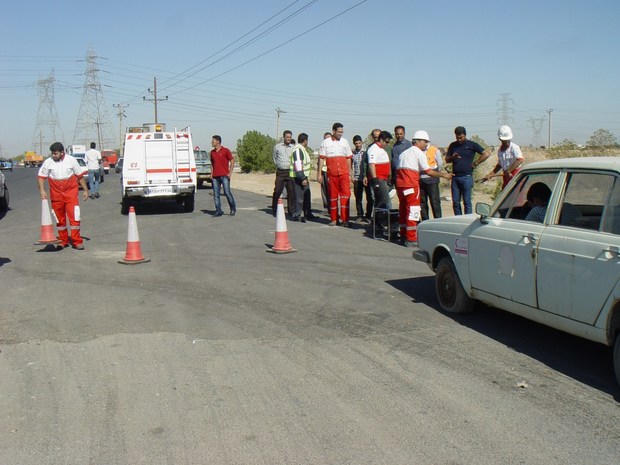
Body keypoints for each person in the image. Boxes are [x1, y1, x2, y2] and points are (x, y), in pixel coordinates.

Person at [396, 132, 453, 246]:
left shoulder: (404, 153)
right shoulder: (418, 153)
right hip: (411, 185)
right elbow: (428, 171)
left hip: (401, 186)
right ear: (417, 141)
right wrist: (444, 175)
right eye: (425, 142)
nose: (426, 144)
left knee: (403, 209)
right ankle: (411, 238)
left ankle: (403, 234)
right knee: (413, 210)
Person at [37, 142, 90, 250]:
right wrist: (42, 190)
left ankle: (77, 241)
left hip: (70, 193)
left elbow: (79, 177)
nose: (53, 156)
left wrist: (85, 190)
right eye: (52, 153)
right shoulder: (48, 162)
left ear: (62, 152)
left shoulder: (71, 160)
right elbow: (41, 177)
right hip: (56, 195)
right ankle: (63, 240)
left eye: (55, 153)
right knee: (59, 219)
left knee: (75, 218)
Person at [445, 126, 492, 215]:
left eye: (461, 137)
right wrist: (453, 157)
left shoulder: (472, 145)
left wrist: (475, 163)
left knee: (467, 202)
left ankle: (468, 219)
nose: (459, 139)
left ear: (465, 135)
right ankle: (458, 219)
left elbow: (486, 154)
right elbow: (447, 160)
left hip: (466, 177)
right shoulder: (453, 145)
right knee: (455, 202)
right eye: (457, 137)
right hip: (455, 177)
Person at [318, 122, 353, 227]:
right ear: (333, 131)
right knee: (333, 197)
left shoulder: (345, 142)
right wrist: (319, 174)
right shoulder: (325, 143)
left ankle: (345, 220)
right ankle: (334, 219)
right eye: (339, 132)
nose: (340, 134)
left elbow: (348, 158)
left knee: (345, 196)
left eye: (342, 132)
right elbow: (321, 159)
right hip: (332, 174)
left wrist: (349, 173)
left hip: (343, 174)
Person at [367, 130, 393, 234]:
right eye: (386, 141)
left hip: (384, 178)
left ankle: (377, 223)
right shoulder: (374, 149)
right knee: (384, 200)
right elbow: (371, 165)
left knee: (380, 202)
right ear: (381, 139)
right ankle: (379, 222)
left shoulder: (382, 149)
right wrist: (375, 180)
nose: (387, 144)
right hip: (379, 179)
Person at [417, 132, 445, 220]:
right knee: (422, 203)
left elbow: (440, 164)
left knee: (435, 202)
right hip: (420, 180)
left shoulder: (435, 150)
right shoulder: (418, 150)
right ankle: (425, 221)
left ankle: (438, 221)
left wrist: (435, 173)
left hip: (432, 180)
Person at [210, 135, 236, 217]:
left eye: (213, 141)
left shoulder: (226, 151)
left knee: (227, 192)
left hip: (225, 175)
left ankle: (233, 208)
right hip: (215, 177)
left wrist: (230, 172)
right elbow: (212, 163)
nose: (211, 142)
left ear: (218, 141)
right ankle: (218, 210)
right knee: (216, 194)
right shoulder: (212, 152)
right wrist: (211, 173)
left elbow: (232, 160)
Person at [272, 130, 296, 217]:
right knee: (277, 190)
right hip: (280, 171)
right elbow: (274, 158)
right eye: (287, 137)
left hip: (289, 172)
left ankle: (291, 211)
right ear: (284, 137)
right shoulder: (277, 147)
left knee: (291, 192)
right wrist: (279, 164)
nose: (289, 139)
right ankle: (274, 209)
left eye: (290, 137)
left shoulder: (293, 148)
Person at [289, 133, 312, 222]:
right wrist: (302, 178)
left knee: (306, 196)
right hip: (298, 177)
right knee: (299, 197)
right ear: (305, 140)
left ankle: (308, 214)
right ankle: (297, 215)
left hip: (303, 176)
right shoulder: (298, 150)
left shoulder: (302, 150)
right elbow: (298, 165)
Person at [351, 135, 368, 222]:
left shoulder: (366, 152)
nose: (358, 145)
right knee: (358, 198)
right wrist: (352, 176)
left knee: (369, 198)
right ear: (354, 144)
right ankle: (360, 215)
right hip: (357, 179)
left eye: (359, 143)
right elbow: (350, 166)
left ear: (362, 142)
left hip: (365, 178)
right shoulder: (352, 154)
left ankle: (368, 216)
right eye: (356, 143)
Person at [318, 131, 331, 213]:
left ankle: (332, 207)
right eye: (325, 139)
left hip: (331, 171)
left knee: (331, 190)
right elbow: (319, 160)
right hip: (323, 171)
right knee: (324, 189)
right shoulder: (322, 148)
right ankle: (326, 207)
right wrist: (319, 173)